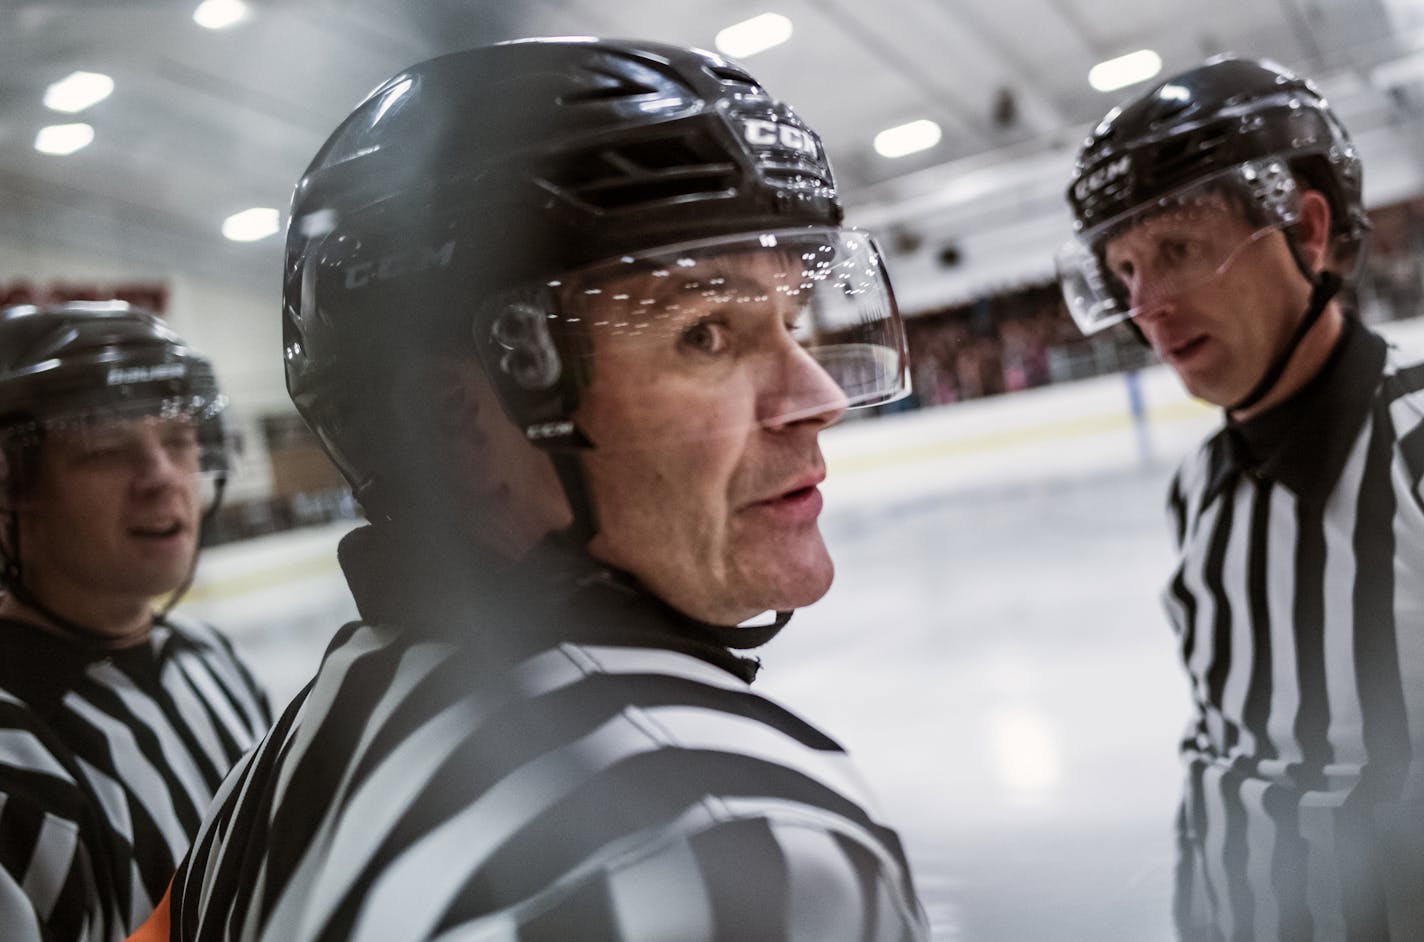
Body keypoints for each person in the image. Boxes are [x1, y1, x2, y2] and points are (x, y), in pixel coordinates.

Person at [145, 37, 928, 941]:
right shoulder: (736, 841)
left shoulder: (282, 769)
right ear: (452, 424)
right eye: (704, 334)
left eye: (793, 321)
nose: (818, 400)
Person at [1058, 55, 1424, 940]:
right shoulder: (1202, 486)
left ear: (1304, 230)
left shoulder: (1416, 443)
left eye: (1178, 250)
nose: (1146, 306)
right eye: (1125, 270)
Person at [0, 301, 271, 941]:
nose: (162, 478)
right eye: (105, 449)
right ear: (11, 485)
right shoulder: (12, 762)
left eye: (177, 441)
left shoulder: (213, 661)